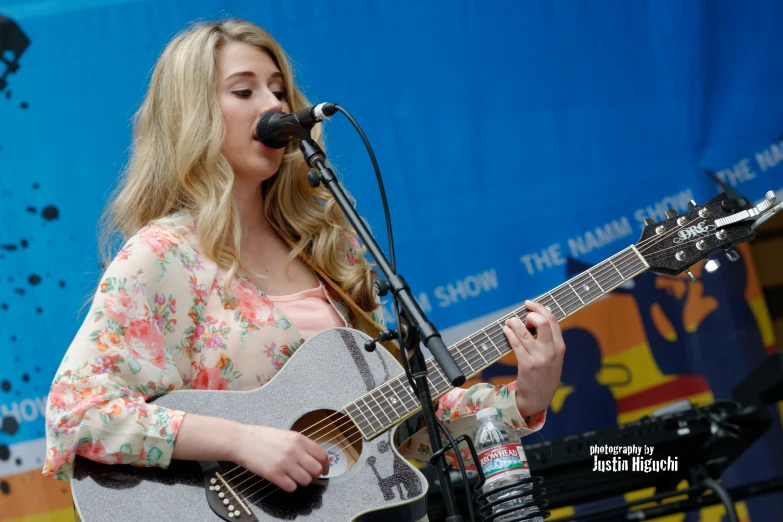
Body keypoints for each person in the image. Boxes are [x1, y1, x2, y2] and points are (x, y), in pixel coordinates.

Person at [42, 17, 565, 505]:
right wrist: (242, 440)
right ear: (192, 115)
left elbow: (405, 421)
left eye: (278, 89)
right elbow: (75, 413)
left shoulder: (328, 242)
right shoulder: (163, 257)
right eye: (244, 91)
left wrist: (523, 398)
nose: (272, 105)